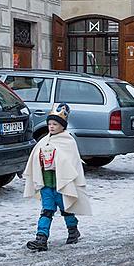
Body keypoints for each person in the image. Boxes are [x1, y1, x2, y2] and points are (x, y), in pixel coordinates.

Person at [23, 103, 91, 251]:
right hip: (47, 183)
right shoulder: (44, 140)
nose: (51, 127)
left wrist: (56, 157)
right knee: (46, 211)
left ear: (62, 126)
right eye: (49, 124)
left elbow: (70, 161)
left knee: (66, 209)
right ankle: (41, 238)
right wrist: (40, 158)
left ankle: (73, 230)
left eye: (55, 124)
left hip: (61, 184)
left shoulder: (68, 141)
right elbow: (35, 157)